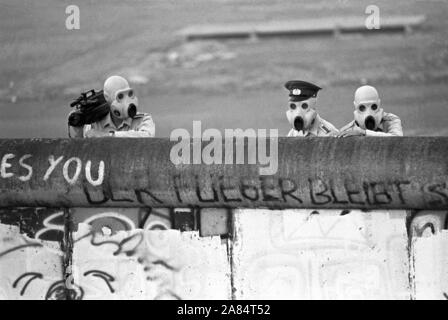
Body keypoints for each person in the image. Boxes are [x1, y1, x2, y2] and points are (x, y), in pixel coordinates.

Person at [69, 75, 155, 138]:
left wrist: (108, 135)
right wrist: (77, 128)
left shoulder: (142, 119)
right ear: (107, 98)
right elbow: (81, 148)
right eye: (120, 96)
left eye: (129, 94)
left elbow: (147, 137)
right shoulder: (96, 123)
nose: (127, 101)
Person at [338, 85, 403, 137]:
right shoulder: (349, 131)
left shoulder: (391, 120)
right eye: (362, 107)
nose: (368, 113)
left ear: (379, 104)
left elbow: (397, 139)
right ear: (355, 107)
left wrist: (364, 133)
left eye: (373, 106)